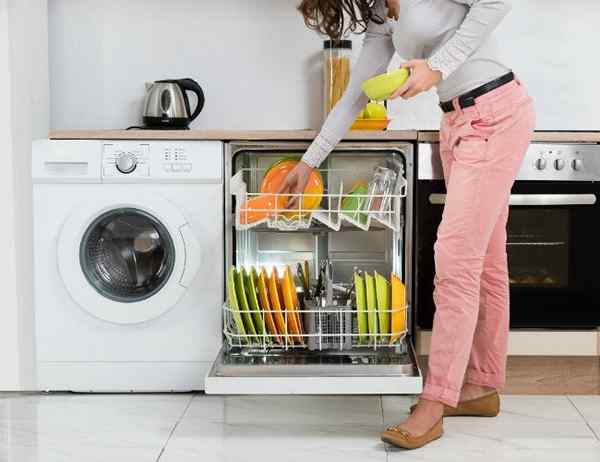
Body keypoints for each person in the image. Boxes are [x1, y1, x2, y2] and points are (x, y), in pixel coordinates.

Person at [279, 0, 535, 450]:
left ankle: (434, 403)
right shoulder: (382, 14)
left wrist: (436, 68)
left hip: (496, 112)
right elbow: (356, 94)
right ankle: (481, 385)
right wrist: (308, 161)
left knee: (455, 262)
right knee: (488, 261)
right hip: (457, 122)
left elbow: (497, 2)